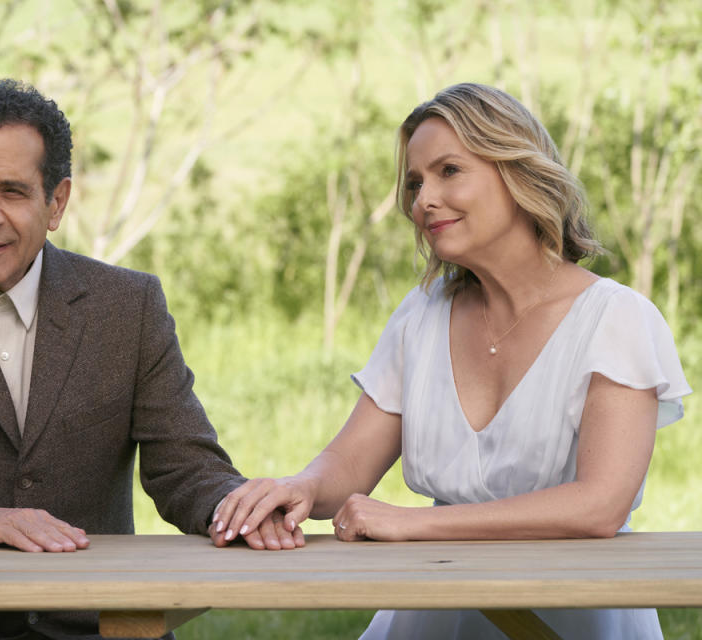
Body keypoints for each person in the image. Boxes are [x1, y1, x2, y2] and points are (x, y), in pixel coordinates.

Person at [0, 79, 300, 640]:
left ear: (56, 201)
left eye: (12, 192)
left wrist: (241, 512)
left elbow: (185, 467)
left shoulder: (128, 307)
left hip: (98, 623)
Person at [211, 83, 691, 639]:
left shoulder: (617, 318)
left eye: (449, 171)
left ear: (516, 173)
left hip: (576, 614)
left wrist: (415, 523)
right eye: (415, 183)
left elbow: (598, 506)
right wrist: (304, 487)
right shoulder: (421, 315)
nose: (423, 200)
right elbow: (350, 464)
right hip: (431, 614)